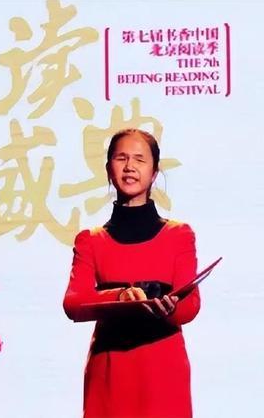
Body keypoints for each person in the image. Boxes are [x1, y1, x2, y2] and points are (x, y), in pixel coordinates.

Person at [62, 128, 201, 418]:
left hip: (163, 369)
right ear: (108, 169)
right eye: (121, 158)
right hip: (110, 369)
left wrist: (168, 307)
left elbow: (190, 304)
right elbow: (74, 303)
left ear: (154, 172)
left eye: (139, 159)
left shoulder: (179, 235)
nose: (129, 166)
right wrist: (120, 297)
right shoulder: (90, 240)